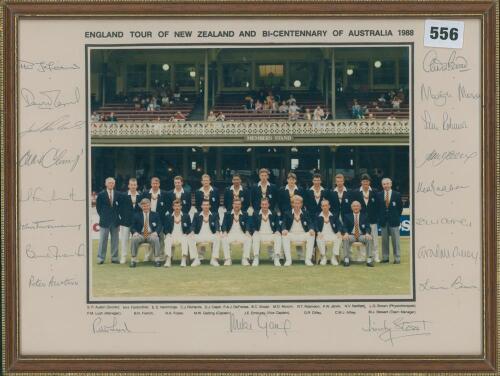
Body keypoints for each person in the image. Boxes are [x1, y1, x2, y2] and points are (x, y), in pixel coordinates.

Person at [281, 195, 316, 266]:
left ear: (301, 204)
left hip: (303, 234)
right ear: (292, 204)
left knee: (311, 235)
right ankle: (288, 260)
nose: (297, 205)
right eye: (295, 203)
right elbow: (283, 223)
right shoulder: (287, 213)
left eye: (298, 203)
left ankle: (308, 260)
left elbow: (310, 223)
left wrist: (311, 229)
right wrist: (284, 229)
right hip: (292, 234)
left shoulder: (306, 213)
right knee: (285, 235)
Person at [354, 174, 380, 262]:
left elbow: (378, 206)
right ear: (361, 182)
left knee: (374, 240)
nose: (365, 183)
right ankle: (361, 256)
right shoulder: (356, 192)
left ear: (369, 182)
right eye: (364, 181)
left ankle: (375, 256)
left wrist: (376, 217)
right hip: (361, 221)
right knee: (361, 240)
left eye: (367, 181)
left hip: (372, 220)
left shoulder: (375, 191)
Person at [130, 198, 162, 267]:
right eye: (144, 206)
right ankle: (133, 259)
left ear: (150, 206)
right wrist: (135, 232)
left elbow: (159, 225)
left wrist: (156, 232)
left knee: (156, 239)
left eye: (147, 206)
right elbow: (132, 227)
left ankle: (157, 259)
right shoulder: (136, 215)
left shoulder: (155, 214)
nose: (146, 207)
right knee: (134, 239)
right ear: (141, 207)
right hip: (140, 234)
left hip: (151, 234)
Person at [377, 178, 403, 264]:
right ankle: (385, 258)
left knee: (396, 240)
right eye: (384, 184)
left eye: (387, 184)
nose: (386, 185)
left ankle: (397, 258)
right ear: (382, 185)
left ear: (391, 184)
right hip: (383, 221)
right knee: (384, 241)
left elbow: (400, 208)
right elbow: (378, 208)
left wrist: (395, 216)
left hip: (394, 221)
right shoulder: (379, 195)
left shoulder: (397, 194)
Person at [142, 177, 168, 261]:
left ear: (159, 184)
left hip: (160, 220)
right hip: (147, 219)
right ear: (151, 184)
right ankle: (148, 255)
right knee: (148, 237)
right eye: (153, 183)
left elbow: (167, 206)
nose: (155, 185)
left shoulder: (164, 193)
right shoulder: (145, 193)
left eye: (156, 183)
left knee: (160, 238)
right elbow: (141, 204)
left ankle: (160, 255)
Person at [341, 201, 374, 267]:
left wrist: (367, 233)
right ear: (351, 208)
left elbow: (368, 227)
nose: (356, 207)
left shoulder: (365, 215)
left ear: (360, 207)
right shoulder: (347, 216)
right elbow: (344, 227)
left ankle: (369, 259)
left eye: (357, 206)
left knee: (369, 238)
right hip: (351, 235)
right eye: (354, 206)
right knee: (345, 238)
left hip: (361, 235)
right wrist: (346, 233)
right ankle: (346, 259)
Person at [189, 200, 221, 267]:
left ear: (209, 206)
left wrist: (218, 231)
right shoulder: (196, 215)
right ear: (202, 206)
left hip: (210, 235)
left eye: (207, 205)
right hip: (200, 236)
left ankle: (214, 259)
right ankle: (196, 260)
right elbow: (193, 225)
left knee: (218, 237)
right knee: (190, 238)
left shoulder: (214, 215)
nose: (206, 206)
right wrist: (192, 232)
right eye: (204, 205)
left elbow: (217, 225)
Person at [251, 197, 282, 267]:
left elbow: (278, 225)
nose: (264, 206)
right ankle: (256, 258)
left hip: (271, 234)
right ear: (260, 205)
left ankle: (276, 258)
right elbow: (252, 225)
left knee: (278, 236)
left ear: (269, 205)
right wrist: (255, 231)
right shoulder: (255, 213)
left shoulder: (274, 213)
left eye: (266, 204)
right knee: (255, 235)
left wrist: (277, 231)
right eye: (263, 204)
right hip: (260, 234)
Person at [117, 178, 142, 264]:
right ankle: (123, 257)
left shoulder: (141, 196)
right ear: (128, 185)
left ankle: (134, 257)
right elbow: (119, 208)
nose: (133, 186)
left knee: (135, 240)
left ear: (137, 186)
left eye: (134, 185)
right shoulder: (123, 195)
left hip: (136, 223)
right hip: (125, 221)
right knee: (124, 240)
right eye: (131, 185)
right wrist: (123, 217)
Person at [221, 198, 252, 266]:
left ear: (241, 205)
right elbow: (223, 224)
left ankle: (245, 259)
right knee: (223, 239)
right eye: (235, 204)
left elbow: (248, 224)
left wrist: (247, 231)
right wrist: (225, 231)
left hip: (241, 234)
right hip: (230, 234)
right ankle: (228, 259)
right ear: (233, 205)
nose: (237, 205)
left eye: (238, 204)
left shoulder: (245, 214)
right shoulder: (227, 214)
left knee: (249, 239)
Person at [96, 177, 120, 264]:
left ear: (114, 184)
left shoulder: (118, 194)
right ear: (106, 184)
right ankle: (101, 258)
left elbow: (119, 207)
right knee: (103, 240)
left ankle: (114, 258)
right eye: (109, 183)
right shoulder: (101, 194)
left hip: (115, 221)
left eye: (112, 183)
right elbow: (98, 208)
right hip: (104, 221)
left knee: (115, 240)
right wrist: (103, 216)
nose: (111, 184)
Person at [164, 200, 193, 267]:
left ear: (181, 207)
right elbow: (165, 228)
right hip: (172, 236)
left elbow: (189, 227)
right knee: (167, 240)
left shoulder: (186, 216)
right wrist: (167, 234)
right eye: (175, 206)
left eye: (178, 206)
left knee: (185, 239)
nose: (177, 208)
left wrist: (186, 233)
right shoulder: (168, 216)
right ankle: (168, 260)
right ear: (173, 207)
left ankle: (183, 260)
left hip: (182, 236)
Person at [315, 199, 343, 266]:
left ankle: (333, 257)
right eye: (323, 206)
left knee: (339, 238)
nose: (325, 207)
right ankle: (323, 257)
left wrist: (339, 231)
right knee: (319, 239)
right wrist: (318, 232)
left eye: (326, 205)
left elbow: (339, 225)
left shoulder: (334, 215)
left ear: (329, 206)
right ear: (321, 207)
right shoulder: (317, 215)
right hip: (322, 234)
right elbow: (315, 225)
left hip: (332, 234)